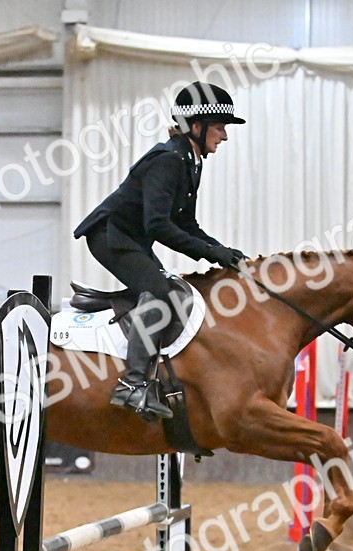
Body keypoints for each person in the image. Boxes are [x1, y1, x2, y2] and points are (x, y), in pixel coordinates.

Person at [73, 82, 247, 421]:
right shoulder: (167, 160)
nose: (224, 136)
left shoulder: (190, 161)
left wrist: (221, 251)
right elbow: (159, 226)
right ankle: (132, 383)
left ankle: (150, 378)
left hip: (132, 238)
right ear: (196, 127)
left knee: (175, 294)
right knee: (160, 294)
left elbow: (186, 224)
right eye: (220, 127)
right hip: (112, 237)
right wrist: (212, 254)